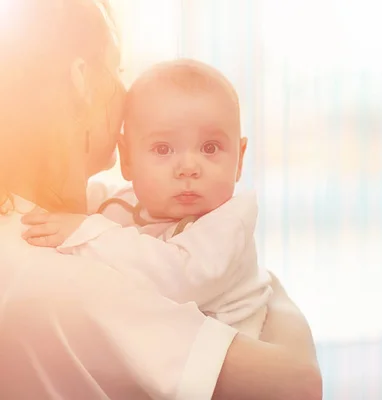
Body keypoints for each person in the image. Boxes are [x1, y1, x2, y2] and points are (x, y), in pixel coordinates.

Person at [0, 0, 322, 399]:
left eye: (209, 148)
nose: (187, 167)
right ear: (82, 81)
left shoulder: (42, 221)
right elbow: (298, 384)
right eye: (117, 70)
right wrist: (274, 289)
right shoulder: (73, 278)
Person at [21, 59, 272, 339]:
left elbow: (179, 278)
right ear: (127, 159)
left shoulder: (228, 223)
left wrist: (85, 233)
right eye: (163, 149)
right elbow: (103, 202)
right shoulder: (134, 203)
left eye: (210, 147)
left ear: (240, 159)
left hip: (231, 373)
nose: (189, 166)